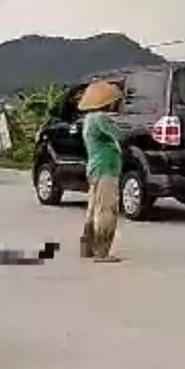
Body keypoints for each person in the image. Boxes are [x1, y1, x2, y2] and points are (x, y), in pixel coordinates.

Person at [78, 80, 124, 263]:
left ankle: (87, 246)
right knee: (107, 209)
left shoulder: (88, 119)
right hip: (107, 167)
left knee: (92, 208)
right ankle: (102, 251)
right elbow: (118, 134)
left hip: (95, 166)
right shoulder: (101, 119)